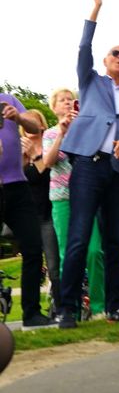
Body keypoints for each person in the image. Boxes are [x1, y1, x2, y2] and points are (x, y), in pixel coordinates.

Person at [57, 0, 119, 328]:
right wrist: (94, 12)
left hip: (118, 173)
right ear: (107, 61)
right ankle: (67, 309)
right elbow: (83, 49)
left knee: (114, 241)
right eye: (115, 53)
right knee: (79, 238)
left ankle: (115, 307)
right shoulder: (91, 82)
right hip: (88, 166)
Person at [43, 88, 105, 317]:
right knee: (67, 255)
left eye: (71, 99)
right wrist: (62, 132)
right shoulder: (50, 133)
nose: (68, 103)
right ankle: (71, 309)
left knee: (94, 251)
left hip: (87, 197)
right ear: (54, 107)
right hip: (62, 199)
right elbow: (48, 162)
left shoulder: (87, 130)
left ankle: (99, 307)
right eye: (63, 100)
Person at [0, 94, 52, 329]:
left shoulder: (7, 99)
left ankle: (31, 314)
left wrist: (18, 117)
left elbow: (33, 125)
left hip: (18, 187)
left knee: (33, 247)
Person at [20, 109, 62, 313]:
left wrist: (35, 155)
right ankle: (32, 310)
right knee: (32, 263)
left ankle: (62, 307)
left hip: (48, 214)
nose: (28, 125)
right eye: (25, 122)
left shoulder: (48, 144)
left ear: (42, 125)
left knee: (54, 264)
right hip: (28, 215)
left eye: (33, 121)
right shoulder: (19, 149)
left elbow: (45, 176)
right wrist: (22, 157)